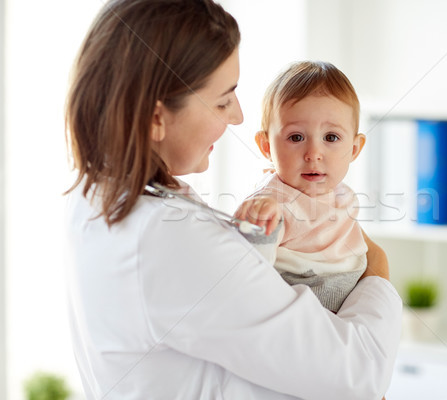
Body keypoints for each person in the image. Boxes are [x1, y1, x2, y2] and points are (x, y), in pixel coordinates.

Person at [64, 0, 402, 399]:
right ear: (157, 117)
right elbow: (355, 375)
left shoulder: (99, 195)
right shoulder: (172, 239)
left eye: (332, 137)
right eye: (223, 100)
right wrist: (377, 270)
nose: (237, 116)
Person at [235, 61, 368, 313]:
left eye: (331, 137)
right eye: (296, 137)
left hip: (348, 296)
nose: (313, 153)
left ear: (354, 149)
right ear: (266, 147)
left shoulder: (342, 194)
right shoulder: (272, 203)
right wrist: (256, 228)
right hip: (300, 302)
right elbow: (248, 277)